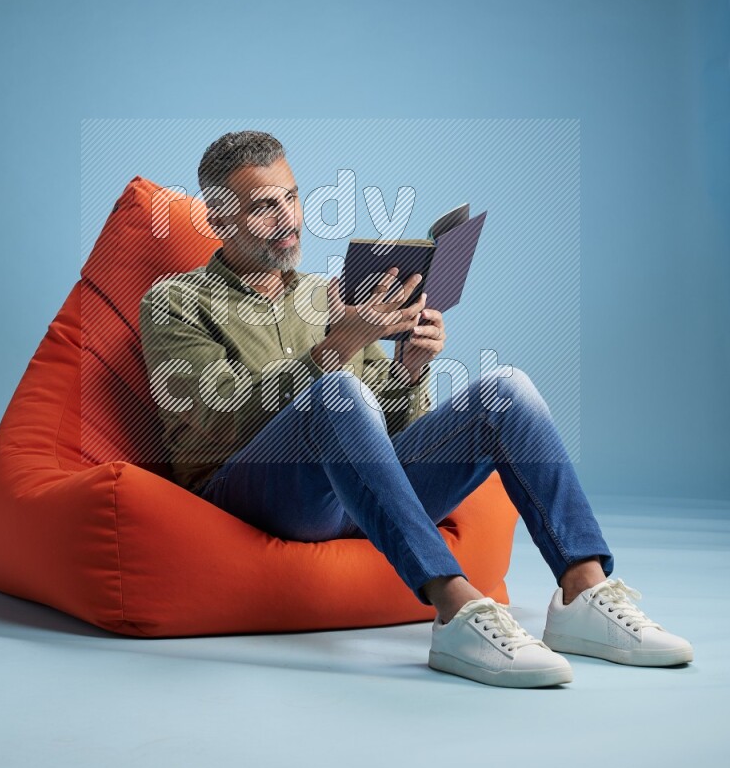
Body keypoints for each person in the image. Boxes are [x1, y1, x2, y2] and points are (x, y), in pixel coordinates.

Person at [139, 130, 693, 689]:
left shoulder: (325, 295)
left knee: (508, 390)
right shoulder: (174, 301)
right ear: (219, 219)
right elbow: (213, 413)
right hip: (253, 495)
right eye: (263, 207)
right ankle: (455, 608)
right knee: (336, 391)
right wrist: (337, 348)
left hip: (357, 499)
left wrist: (410, 368)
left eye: (291, 197)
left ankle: (584, 590)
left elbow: (390, 427)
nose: (288, 218)